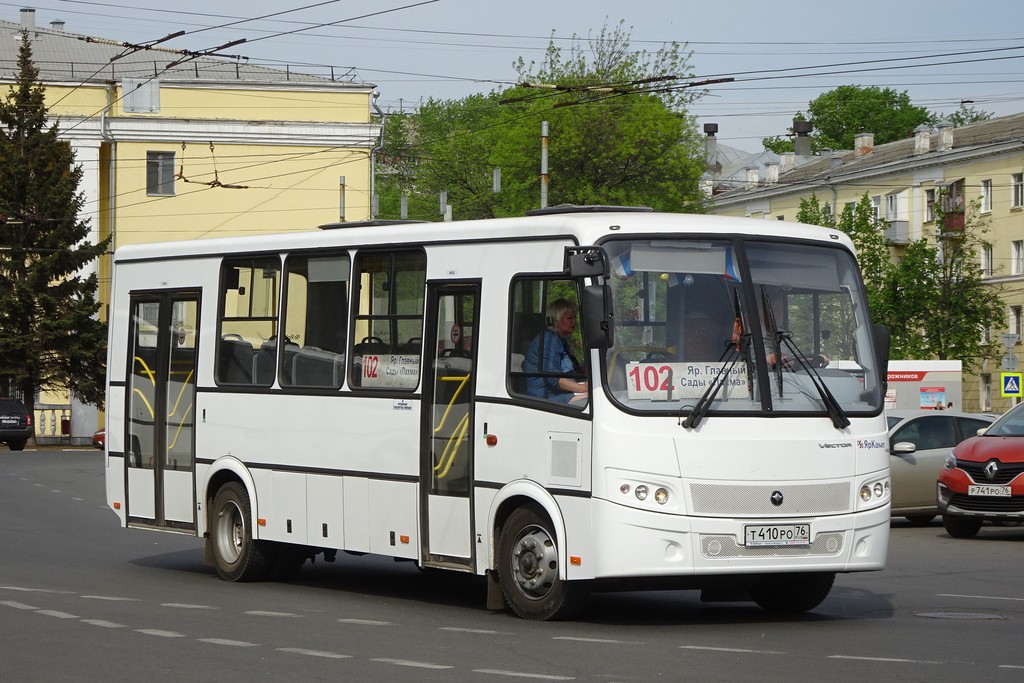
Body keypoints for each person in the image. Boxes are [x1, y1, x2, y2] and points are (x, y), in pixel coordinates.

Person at [523, 299, 588, 405]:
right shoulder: (548, 341)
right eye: (569, 318)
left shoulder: (560, 340)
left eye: (575, 318)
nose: (574, 321)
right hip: (546, 397)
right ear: (556, 320)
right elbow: (553, 379)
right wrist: (583, 388)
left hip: (559, 393)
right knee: (591, 403)